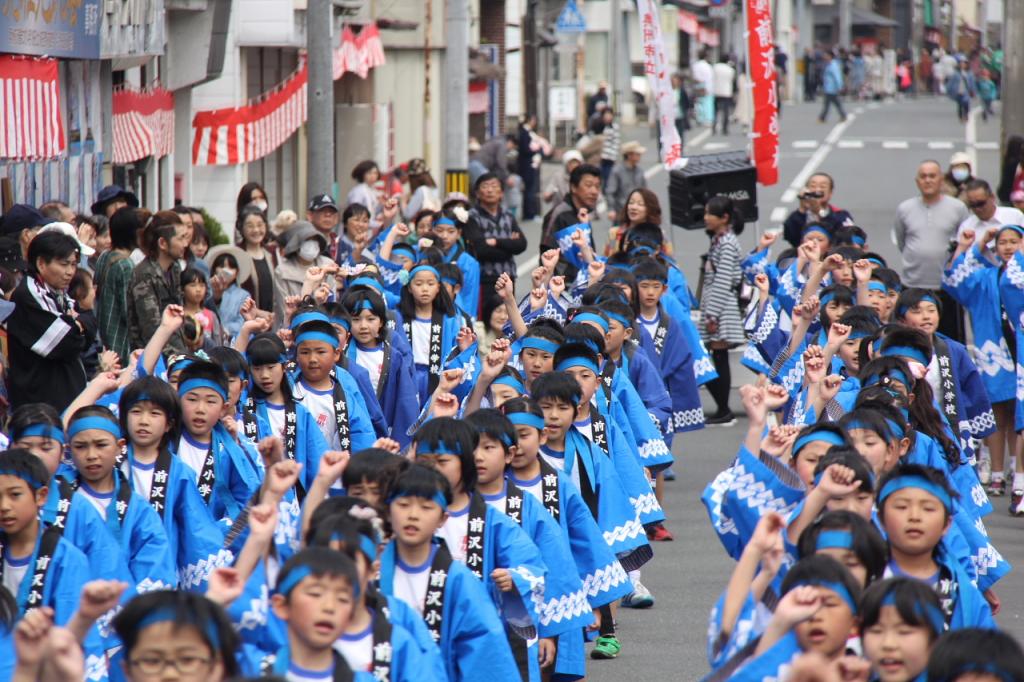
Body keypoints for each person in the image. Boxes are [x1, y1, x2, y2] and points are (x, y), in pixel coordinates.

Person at [7, 231, 95, 413]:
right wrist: (75, 325)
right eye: (64, 265)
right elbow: (67, 344)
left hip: (67, 398)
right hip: (41, 406)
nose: (70, 272)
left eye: (73, 265)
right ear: (41, 263)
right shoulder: (28, 295)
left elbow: (90, 322)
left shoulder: (59, 293)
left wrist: (77, 324)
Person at [893, 160, 970, 341]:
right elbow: (902, 241)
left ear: (941, 179)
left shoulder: (957, 208)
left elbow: (965, 241)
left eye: (932, 176)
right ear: (917, 181)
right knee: (912, 338)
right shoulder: (905, 209)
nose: (928, 180)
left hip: (947, 288)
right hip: (913, 284)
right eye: (923, 176)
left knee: (951, 339)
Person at [699, 196, 745, 425]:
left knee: (718, 356)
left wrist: (711, 314)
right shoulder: (720, 240)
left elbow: (723, 280)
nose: (705, 217)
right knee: (716, 356)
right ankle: (721, 407)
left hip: (721, 308)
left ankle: (724, 408)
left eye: (710, 213)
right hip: (719, 306)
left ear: (724, 218)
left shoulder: (726, 243)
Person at [465, 172, 527, 296]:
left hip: (508, 278)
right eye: (485, 186)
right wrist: (509, 246)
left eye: (494, 186)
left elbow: (521, 244)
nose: (490, 190)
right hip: (483, 278)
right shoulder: (471, 217)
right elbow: (480, 249)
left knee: (508, 314)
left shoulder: (508, 215)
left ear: (501, 193)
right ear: (477, 193)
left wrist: (496, 242)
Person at [93, 206, 141, 363]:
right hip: (120, 346)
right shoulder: (126, 265)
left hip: (103, 342)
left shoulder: (104, 256)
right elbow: (129, 313)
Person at [540, 163, 601, 253]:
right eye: (588, 185)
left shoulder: (584, 214)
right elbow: (547, 252)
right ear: (573, 187)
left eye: (597, 186)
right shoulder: (559, 214)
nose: (594, 191)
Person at [782, 172, 855, 247]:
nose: (817, 190)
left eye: (822, 186)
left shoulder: (841, 215)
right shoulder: (797, 216)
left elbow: (847, 237)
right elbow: (790, 237)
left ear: (830, 193)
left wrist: (819, 211)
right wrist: (802, 209)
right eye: (813, 186)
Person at [234, 204, 279, 318]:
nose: (256, 230)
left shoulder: (272, 253)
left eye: (260, 225)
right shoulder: (236, 255)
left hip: (272, 320)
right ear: (241, 228)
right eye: (250, 226)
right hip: (246, 320)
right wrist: (258, 313)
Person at [274, 221, 336, 299]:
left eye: (315, 239)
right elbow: (282, 307)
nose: (312, 244)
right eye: (307, 240)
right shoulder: (282, 271)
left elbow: (333, 302)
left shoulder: (328, 265)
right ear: (296, 245)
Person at [956, 178, 1024, 243]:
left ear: (992, 197)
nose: (977, 208)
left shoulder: (1015, 216)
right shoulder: (966, 226)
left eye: (981, 203)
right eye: (972, 205)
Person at [605, 141, 647, 225]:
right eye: (637, 154)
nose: (640, 156)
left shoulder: (640, 171)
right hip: (621, 213)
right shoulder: (617, 171)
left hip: (638, 213)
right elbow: (610, 191)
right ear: (629, 155)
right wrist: (611, 209)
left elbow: (645, 191)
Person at [518, 114, 544, 220]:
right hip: (527, 165)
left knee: (531, 189)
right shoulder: (524, 133)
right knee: (529, 190)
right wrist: (536, 150)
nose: (535, 122)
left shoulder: (529, 133)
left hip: (531, 164)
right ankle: (530, 214)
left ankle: (530, 213)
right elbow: (525, 149)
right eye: (533, 120)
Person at [346, 160, 382, 226]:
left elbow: (372, 212)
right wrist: (377, 224)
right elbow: (355, 214)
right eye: (369, 173)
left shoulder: (372, 190)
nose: (373, 176)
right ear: (362, 174)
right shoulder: (359, 191)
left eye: (375, 173)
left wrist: (382, 205)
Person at [306, 192, 341, 259]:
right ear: (310, 216)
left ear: (336, 218)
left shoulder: (342, 245)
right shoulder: (303, 242)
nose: (328, 215)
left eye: (331, 212)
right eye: (322, 211)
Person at [819, 51, 847, 123]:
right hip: (829, 87)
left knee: (828, 104)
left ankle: (822, 117)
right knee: (835, 103)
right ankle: (843, 116)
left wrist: (840, 86)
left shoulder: (833, 65)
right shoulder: (829, 64)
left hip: (832, 88)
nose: (824, 57)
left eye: (826, 55)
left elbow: (837, 77)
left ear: (830, 56)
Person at [946, 58, 976, 123]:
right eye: (961, 64)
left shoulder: (969, 73)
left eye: (964, 63)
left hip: (966, 91)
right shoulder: (956, 73)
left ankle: (966, 115)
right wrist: (948, 89)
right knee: (959, 105)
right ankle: (960, 117)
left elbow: (972, 83)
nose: (962, 65)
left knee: (966, 103)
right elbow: (951, 82)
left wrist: (973, 91)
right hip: (958, 91)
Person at [712, 56, 737, 135]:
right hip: (726, 91)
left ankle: (714, 127)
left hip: (716, 90)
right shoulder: (730, 69)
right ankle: (725, 128)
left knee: (715, 111)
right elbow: (733, 80)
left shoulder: (715, 67)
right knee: (726, 111)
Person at [597, 108, 620, 189]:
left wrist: (614, 156)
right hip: (598, 157)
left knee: (608, 177)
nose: (608, 117)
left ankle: (606, 192)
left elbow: (616, 142)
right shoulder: (599, 125)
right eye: (606, 114)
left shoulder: (614, 127)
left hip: (609, 157)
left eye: (609, 114)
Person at [692, 49, 715, 126]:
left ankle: (699, 118)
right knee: (707, 103)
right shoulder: (707, 66)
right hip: (706, 85)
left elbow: (694, 77)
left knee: (698, 103)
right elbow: (709, 78)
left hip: (698, 85)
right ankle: (707, 119)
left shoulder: (695, 65)